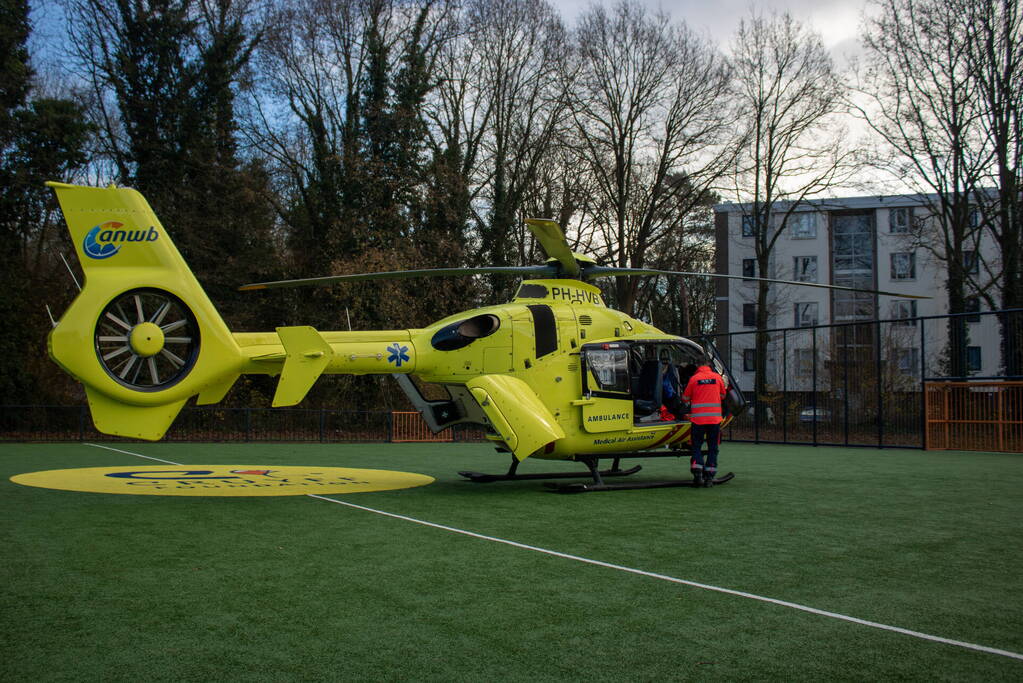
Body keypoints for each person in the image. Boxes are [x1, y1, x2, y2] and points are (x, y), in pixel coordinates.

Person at [682, 355, 727, 487]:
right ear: (708, 364)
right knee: (713, 447)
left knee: (696, 446)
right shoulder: (717, 378)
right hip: (714, 419)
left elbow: (685, 398)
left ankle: (697, 472)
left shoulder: (694, 379)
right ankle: (709, 476)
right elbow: (723, 395)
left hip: (698, 420)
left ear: (697, 366)